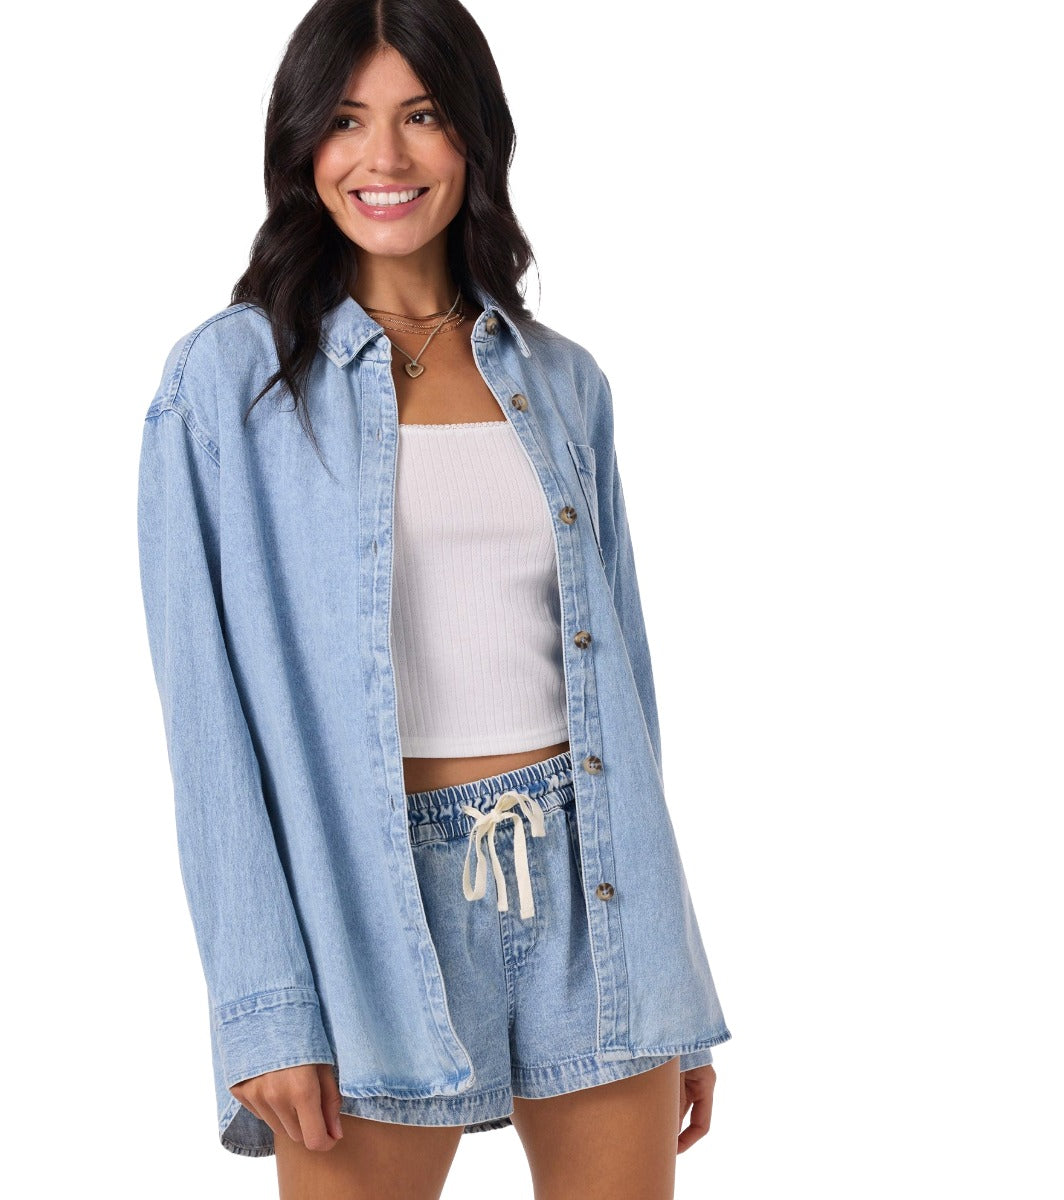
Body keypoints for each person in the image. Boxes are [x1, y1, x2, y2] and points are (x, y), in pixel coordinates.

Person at [136, 0, 732, 1195]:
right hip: (364, 911)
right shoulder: (227, 385)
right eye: (346, 119)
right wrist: (266, 1008)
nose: (384, 157)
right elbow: (207, 723)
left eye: (420, 116)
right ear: (303, 144)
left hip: (591, 887)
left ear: (473, 135)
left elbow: (627, 690)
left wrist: (670, 976)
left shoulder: (563, 381)